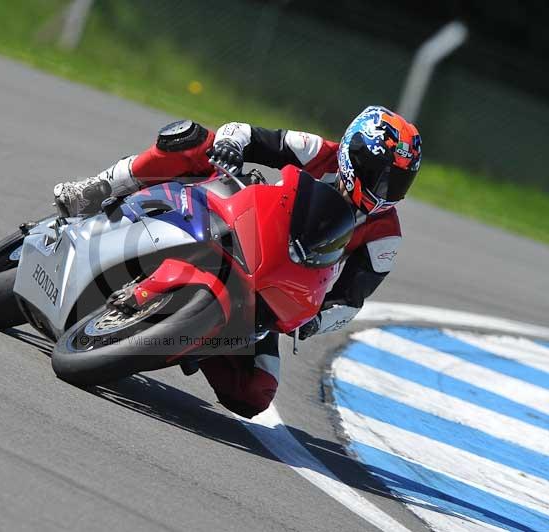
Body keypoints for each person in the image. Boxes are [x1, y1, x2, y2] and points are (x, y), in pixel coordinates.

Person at [53, 106, 422, 418]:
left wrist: (313, 322)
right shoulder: (318, 151)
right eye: (380, 176)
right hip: (236, 214)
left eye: (398, 183)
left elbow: (349, 301)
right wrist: (230, 146)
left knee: (254, 394)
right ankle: (97, 187)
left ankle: (185, 338)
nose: (386, 190)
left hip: (270, 284)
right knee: (194, 140)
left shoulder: (384, 235)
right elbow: (243, 132)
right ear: (352, 154)